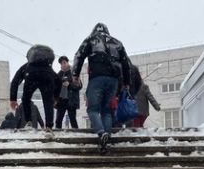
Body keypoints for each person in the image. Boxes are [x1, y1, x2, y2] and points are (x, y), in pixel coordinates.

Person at [72, 22, 130, 154]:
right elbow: (125, 63)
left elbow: (79, 55)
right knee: (107, 111)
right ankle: (105, 143)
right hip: (113, 80)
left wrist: (75, 74)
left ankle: (101, 132)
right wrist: (126, 82)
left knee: (92, 109)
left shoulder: (91, 39)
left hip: (97, 78)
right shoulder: (117, 42)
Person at [10, 45, 60, 133]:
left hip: (31, 75)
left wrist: (13, 99)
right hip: (47, 76)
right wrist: (56, 97)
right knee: (48, 101)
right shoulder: (48, 68)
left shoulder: (27, 66)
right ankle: (49, 126)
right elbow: (59, 81)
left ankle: (29, 122)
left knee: (26, 99)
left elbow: (15, 81)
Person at [55, 56, 81, 129]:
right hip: (61, 100)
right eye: (61, 63)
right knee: (58, 120)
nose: (63, 65)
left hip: (71, 100)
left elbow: (79, 86)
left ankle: (76, 136)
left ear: (67, 62)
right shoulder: (59, 74)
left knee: (73, 119)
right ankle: (57, 136)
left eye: (64, 62)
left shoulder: (74, 72)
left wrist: (69, 84)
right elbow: (55, 88)